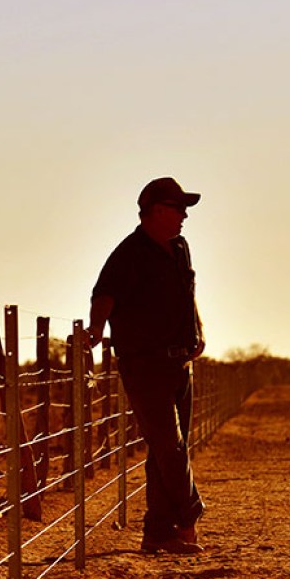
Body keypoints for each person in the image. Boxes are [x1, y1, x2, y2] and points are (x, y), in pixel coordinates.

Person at [86, 176, 206, 555]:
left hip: (180, 363)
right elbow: (103, 294)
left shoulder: (180, 247)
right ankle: (189, 515)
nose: (184, 216)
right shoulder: (129, 254)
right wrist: (95, 330)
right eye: (178, 208)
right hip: (145, 364)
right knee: (169, 446)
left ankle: (158, 533)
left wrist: (199, 327)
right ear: (155, 211)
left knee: (168, 449)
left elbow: (189, 293)